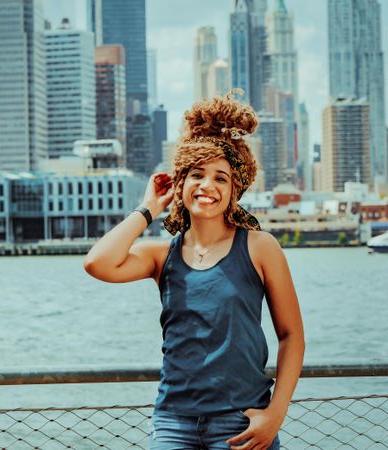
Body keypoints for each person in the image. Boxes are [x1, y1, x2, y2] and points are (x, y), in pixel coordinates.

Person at [84, 91, 305, 450]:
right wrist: (147, 208)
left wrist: (275, 415)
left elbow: (291, 336)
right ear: (180, 184)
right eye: (197, 175)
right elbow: (98, 262)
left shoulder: (260, 247)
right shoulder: (161, 256)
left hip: (242, 422)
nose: (207, 186)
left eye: (221, 178)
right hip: (173, 423)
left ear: (234, 189)